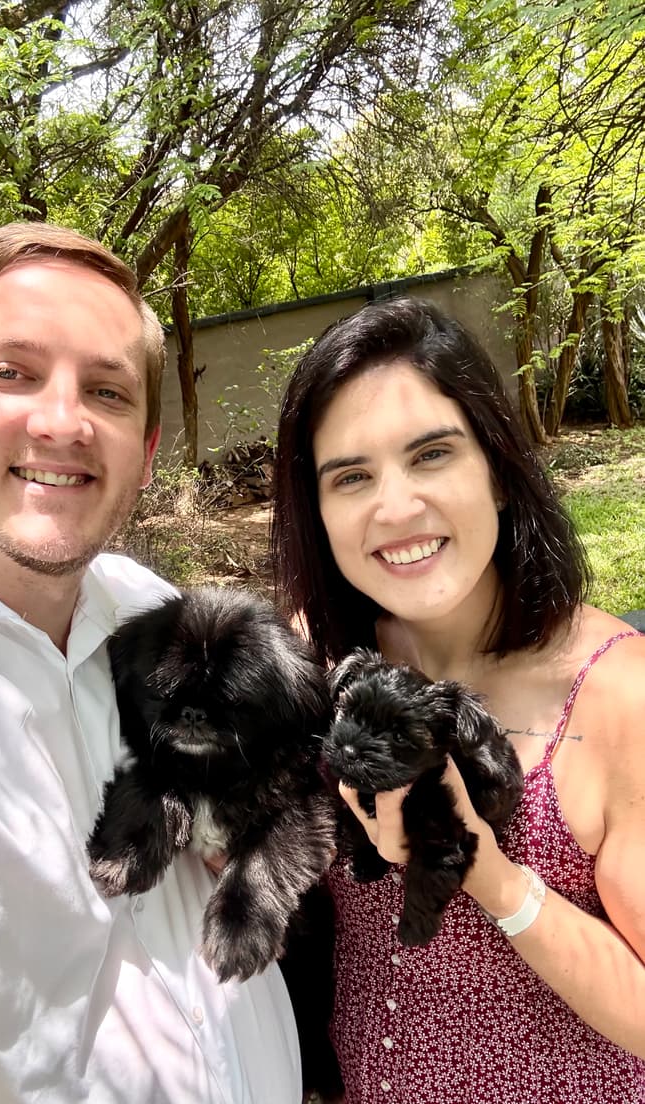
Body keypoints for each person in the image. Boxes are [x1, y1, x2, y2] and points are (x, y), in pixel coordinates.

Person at [0, 222, 304, 1104]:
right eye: (11, 372)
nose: (63, 421)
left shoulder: (145, 609)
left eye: (109, 392)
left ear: (147, 452)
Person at [271, 297, 645, 1104]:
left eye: (432, 455)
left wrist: (486, 871)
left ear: (500, 473)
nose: (396, 507)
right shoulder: (321, 662)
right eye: (352, 477)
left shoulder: (618, 697)